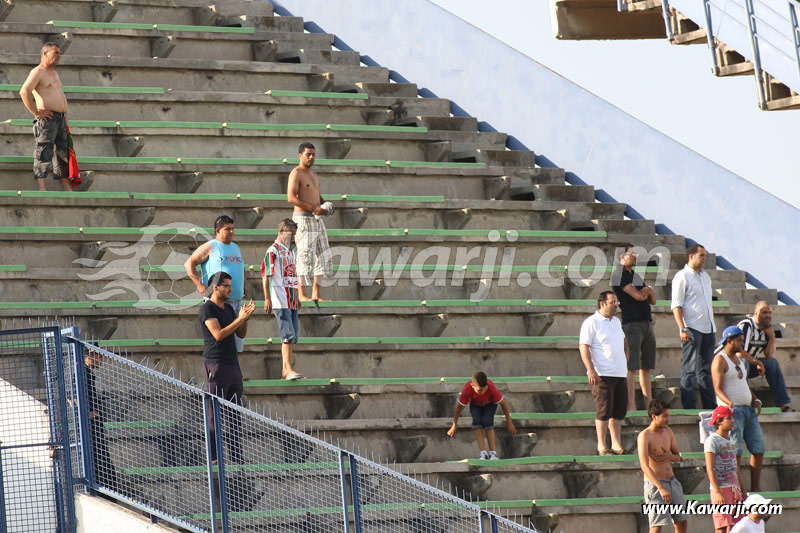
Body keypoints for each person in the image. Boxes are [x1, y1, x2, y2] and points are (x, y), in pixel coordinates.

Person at [199, 271, 256, 464]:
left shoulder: (229, 309)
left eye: (231, 286)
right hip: (216, 364)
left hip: (232, 364)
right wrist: (240, 319)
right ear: (215, 287)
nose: (230, 289)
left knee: (234, 413)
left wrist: (245, 318)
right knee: (215, 412)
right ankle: (214, 456)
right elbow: (218, 334)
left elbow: (240, 334)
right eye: (226, 286)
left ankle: (236, 457)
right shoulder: (207, 309)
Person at [712, 325, 766, 492]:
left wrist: (755, 399)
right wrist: (729, 404)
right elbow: (717, 388)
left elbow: (743, 384)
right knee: (735, 453)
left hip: (748, 410)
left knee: (759, 449)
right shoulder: (720, 360)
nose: (743, 343)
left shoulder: (739, 359)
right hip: (732, 413)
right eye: (740, 340)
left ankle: (755, 489)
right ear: (730, 341)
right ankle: (739, 490)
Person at [185, 215, 249, 352]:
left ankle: (235, 371)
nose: (231, 232)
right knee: (222, 340)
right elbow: (189, 264)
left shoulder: (236, 247)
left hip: (236, 300)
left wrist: (245, 286)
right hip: (219, 302)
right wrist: (199, 284)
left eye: (233, 228)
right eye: (227, 229)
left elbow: (240, 267)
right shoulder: (210, 246)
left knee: (237, 341)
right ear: (217, 231)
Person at [579, 291, 630, 455]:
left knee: (618, 410)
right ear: (602, 303)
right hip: (602, 373)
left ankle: (616, 444)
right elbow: (584, 347)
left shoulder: (616, 322)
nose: (616, 305)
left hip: (619, 373)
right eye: (613, 302)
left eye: (616, 302)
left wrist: (625, 359)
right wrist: (591, 370)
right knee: (604, 410)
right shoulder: (591, 322)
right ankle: (601, 445)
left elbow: (624, 342)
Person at [19, 43, 72, 192]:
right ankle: (42, 188)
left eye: (60, 53)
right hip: (47, 118)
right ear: (45, 54)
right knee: (43, 151)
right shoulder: (37, 72)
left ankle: (65, 186)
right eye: (55, 53)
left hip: (60, 118)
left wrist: (65, 116)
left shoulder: (54, 73)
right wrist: (36, 112)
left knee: (62, 152)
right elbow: (24, 91)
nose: (59, 56)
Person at [611, 243, 657, 410]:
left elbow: (652, 299)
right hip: (632, 324)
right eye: (632, 254)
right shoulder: (618, 275)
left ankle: (648, 405)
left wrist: (647, 292)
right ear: (622, 257)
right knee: (631, 368)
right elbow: (638, 295)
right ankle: (630, 405)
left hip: (646, 322)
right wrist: (646, 292)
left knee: (646, 367)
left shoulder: (635, 275)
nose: (636, 256)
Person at [671, 243, 717, 409]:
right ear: (691, 256)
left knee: (706, 370)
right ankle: (689, 407)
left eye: (705, 255)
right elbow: (676, 305)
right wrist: (682, 327)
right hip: (692, 328)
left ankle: (709, 406)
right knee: (689, 369)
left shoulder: (706, 277)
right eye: (702, 255)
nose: (705, 258)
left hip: (709, 328)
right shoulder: (682, 276)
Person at [287, 142, 333, 302]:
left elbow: (317, 197)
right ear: (300, 155)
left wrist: (325, 206)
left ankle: (316, 293)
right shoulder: (296, 173)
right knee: (304, 255)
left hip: (317, 219)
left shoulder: (313, 174)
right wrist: (314, 208)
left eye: (313, 154)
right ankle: (301, 293)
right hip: (303, 219)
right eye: (308, 154)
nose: (311, 157)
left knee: (323, 255)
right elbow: (291, 197)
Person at [637, 399, 689, 533]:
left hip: (672, 481)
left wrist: (669, 457)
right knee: (657, 524)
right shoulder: (644, 436)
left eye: (668, 415)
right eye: (664, 416)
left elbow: (678, 456)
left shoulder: (668, 432)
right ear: (654, 417)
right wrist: (660, 488)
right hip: (655, 485)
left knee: (682, 520)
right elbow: (644, 465)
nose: (668, 419)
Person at [262, 218, 304, 380]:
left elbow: (292, 275)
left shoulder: (288, 251)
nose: (292, 238)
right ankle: (287, 369)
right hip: (280, 298)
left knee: (292, 336)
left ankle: (287, 369)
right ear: (281, 232)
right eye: (290, 234)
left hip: (291, 298)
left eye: (294, 235)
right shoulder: (273, 251)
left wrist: (298, 295)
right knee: (286, 335)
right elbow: (266, 275)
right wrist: (267, 298)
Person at [446, 371, 518, 459]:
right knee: (477, 422)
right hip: (475, 404)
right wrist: (454, 425)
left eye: (485, 389)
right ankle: (483, 453)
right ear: (473, 386)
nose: (483, 392)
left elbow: (504, 405)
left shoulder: (491, 388)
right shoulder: (467, 390)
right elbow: (459, 407)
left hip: (490, 404)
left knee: (488, 421)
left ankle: (493, 453)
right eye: (480, 390)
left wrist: (509, 422)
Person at [736, 301, 792, 412]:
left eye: (770, 313)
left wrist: (771, 338)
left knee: (772, 363)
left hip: (751, 364)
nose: (768, 316)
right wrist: (757, 362)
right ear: (756, 313)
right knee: (744, 362)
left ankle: (781, 404)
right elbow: (739, 352)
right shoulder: (746, 325)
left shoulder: (767, 329)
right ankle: (746, 401)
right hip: (732, 365)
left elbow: (769, 356)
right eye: (764, 312)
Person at [704, 405, 745, 533]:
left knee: (736, 526)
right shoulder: (712, 440)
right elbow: (710, 468)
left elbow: (735, 466)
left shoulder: (732, 440)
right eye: (728, 418)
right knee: (721, 525)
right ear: (719, 421)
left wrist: (742, 489)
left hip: (734, 488)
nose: (732, 420)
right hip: (721, 488)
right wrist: (717, 491)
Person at [83, 349, 119, 492]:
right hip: (91, 426)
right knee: (100, 459)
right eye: (99, 357)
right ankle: (104, 490)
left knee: (102, 458)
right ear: (90, 356)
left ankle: (106, 489)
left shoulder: (87, 373)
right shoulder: (82, 373)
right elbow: (72, 397)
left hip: (94, 425)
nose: (101, 361)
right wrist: (87, 413)